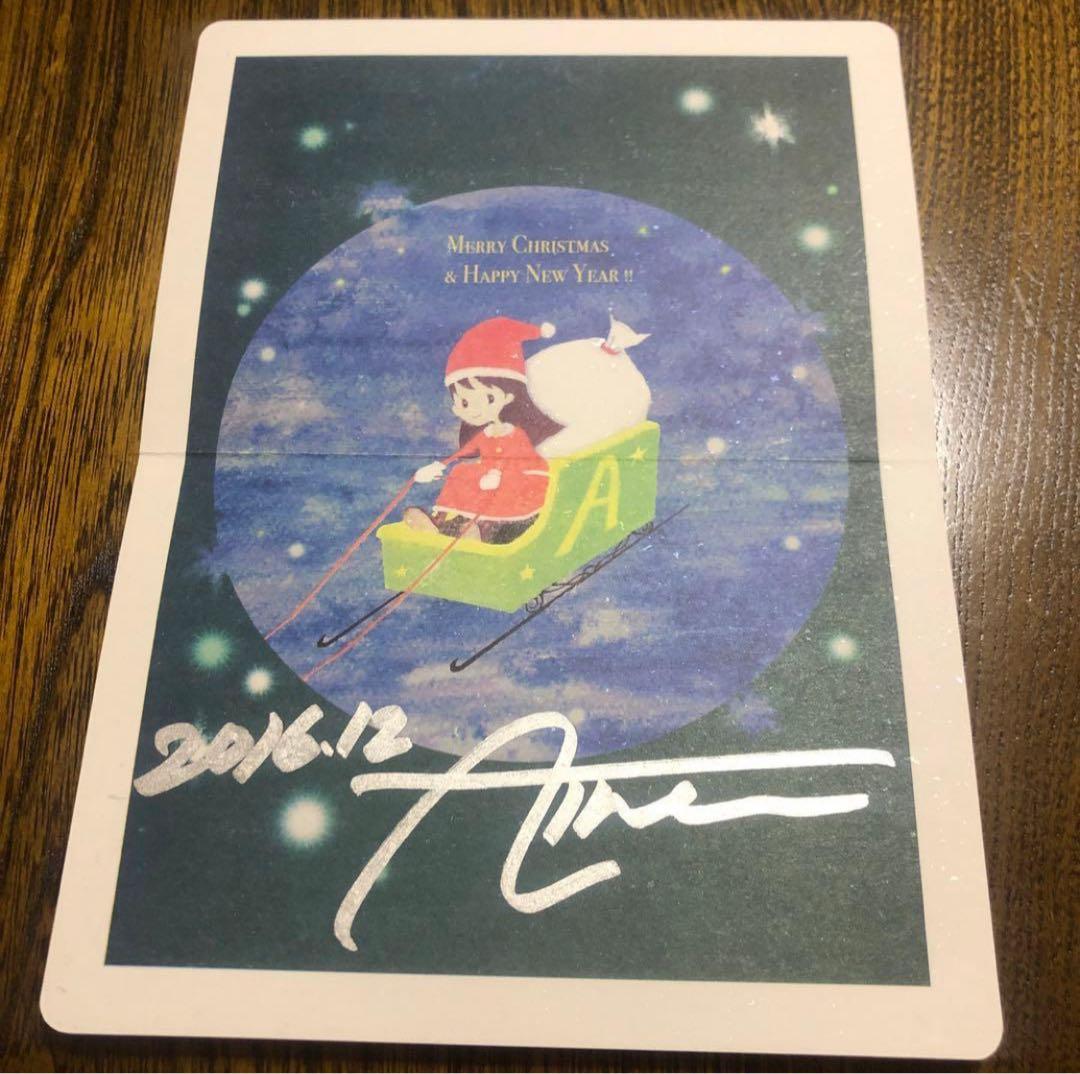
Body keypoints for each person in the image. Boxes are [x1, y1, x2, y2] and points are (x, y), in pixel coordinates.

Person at [404, 317, 561, 544]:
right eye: (464, 402)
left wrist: (498, 473)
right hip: (491, 476)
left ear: (508, 396)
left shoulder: (515, 433)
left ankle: (481, 532)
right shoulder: (484, 434)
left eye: (486, 399)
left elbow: (518, 460)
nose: (472, 410)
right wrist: (438, 466)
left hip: (520, 480)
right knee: (462, 472)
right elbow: (464, 453)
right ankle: (445, 523)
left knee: (494, 492)